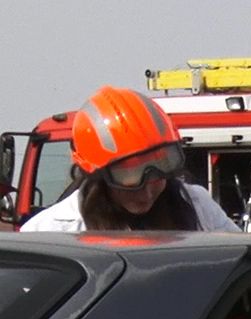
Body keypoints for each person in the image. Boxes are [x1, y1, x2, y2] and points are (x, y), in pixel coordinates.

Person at [21, 85, 239, 233]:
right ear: (98, 176)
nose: (146, 192)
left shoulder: (198, 205)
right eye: (131, 180)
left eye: (157, 177)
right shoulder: (47, 230)